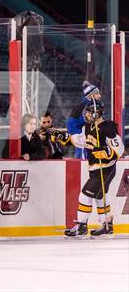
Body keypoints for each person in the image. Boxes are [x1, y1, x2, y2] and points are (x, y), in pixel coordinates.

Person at [60, 100, 124, 238]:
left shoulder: (108, 127)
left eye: (89, 112)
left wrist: (108, 153)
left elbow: (120, 148)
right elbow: (83, 141)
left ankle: (81, 226)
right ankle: (106, 226)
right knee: (100, 196)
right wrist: (65, 138)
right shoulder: (89, 127)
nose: (87, 114)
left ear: (97, 113)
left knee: (85, 194)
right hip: (94, 168)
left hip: (106, 168)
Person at [66, 81, 101, 159]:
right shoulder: (88, 106)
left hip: (77, 131)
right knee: (83, 150)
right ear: (91, 95)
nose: (99, 96)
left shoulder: (87, 103)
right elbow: (86, 122)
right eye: (97, 93)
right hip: (78, 131)